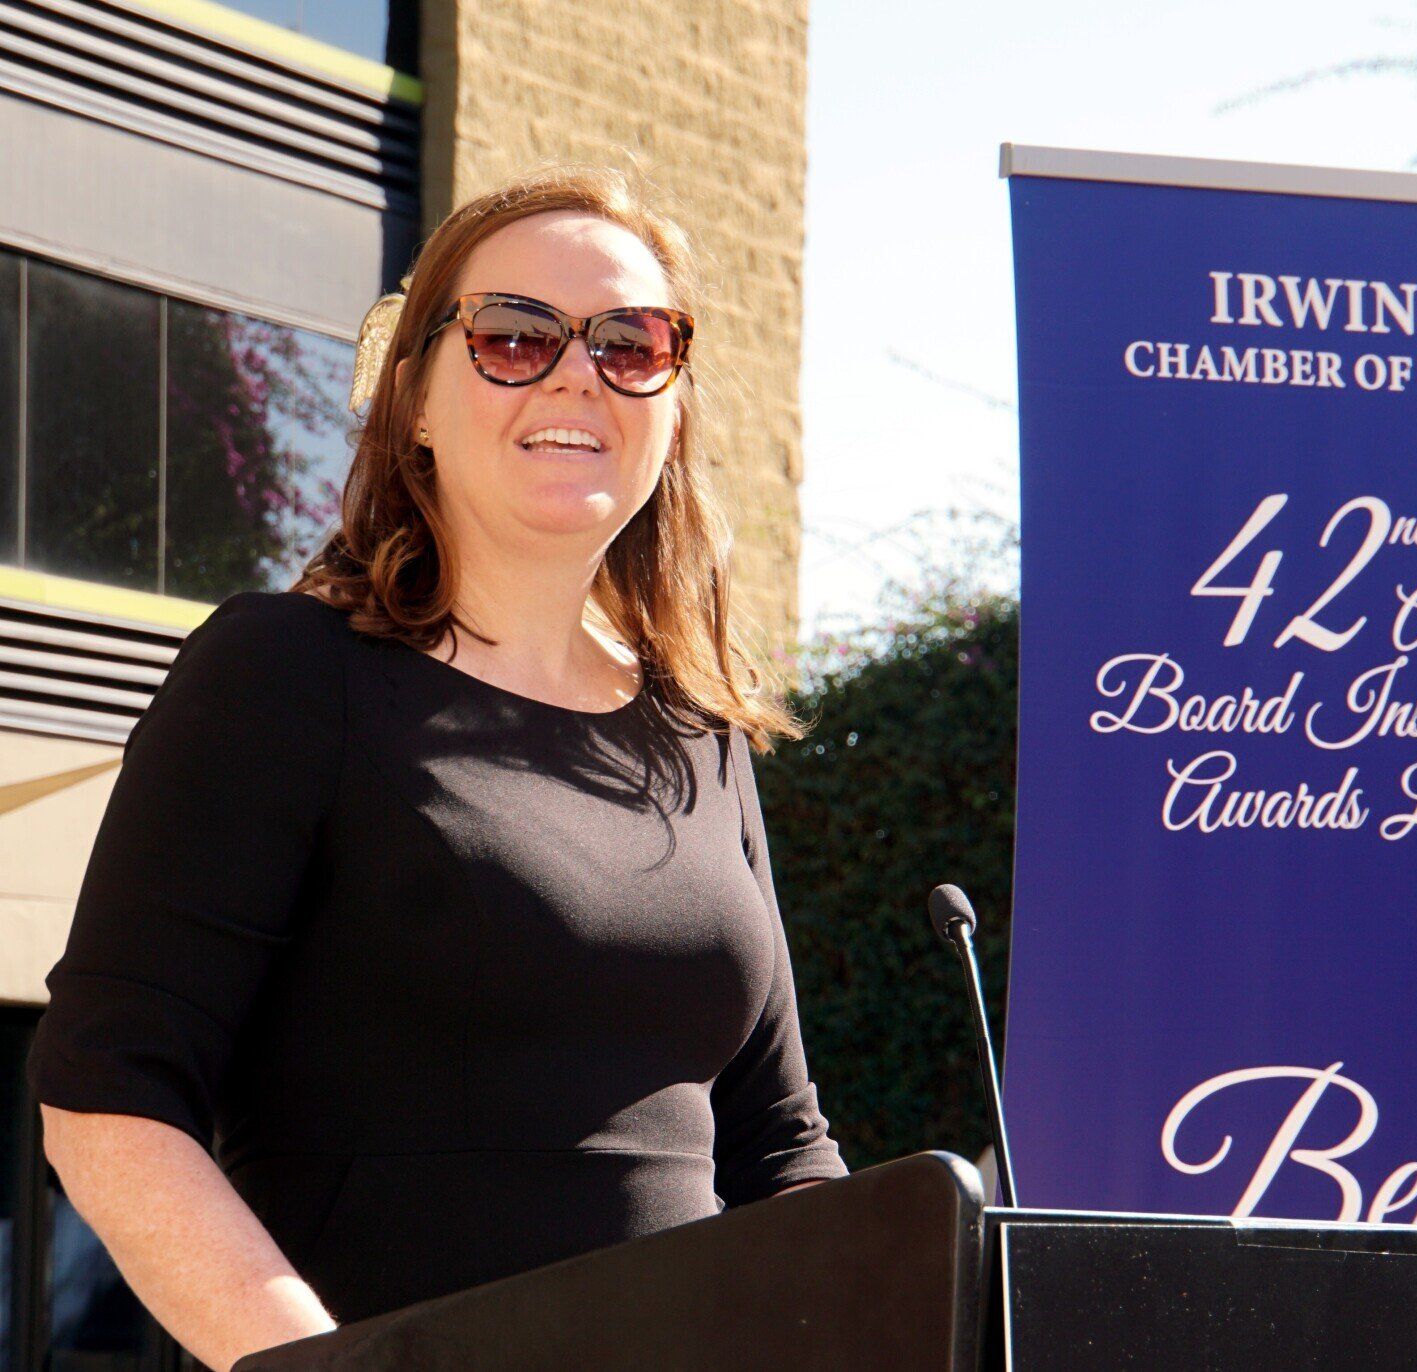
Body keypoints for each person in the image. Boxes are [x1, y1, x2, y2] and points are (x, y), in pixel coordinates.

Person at [24, 158, 847, 1371]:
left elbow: (781, 1149)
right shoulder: (284, 674)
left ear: (673, 407)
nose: (579, 370)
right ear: (411, 395)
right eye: (515, 334)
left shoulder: (703, 734)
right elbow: (106, 1096)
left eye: (634, 342)